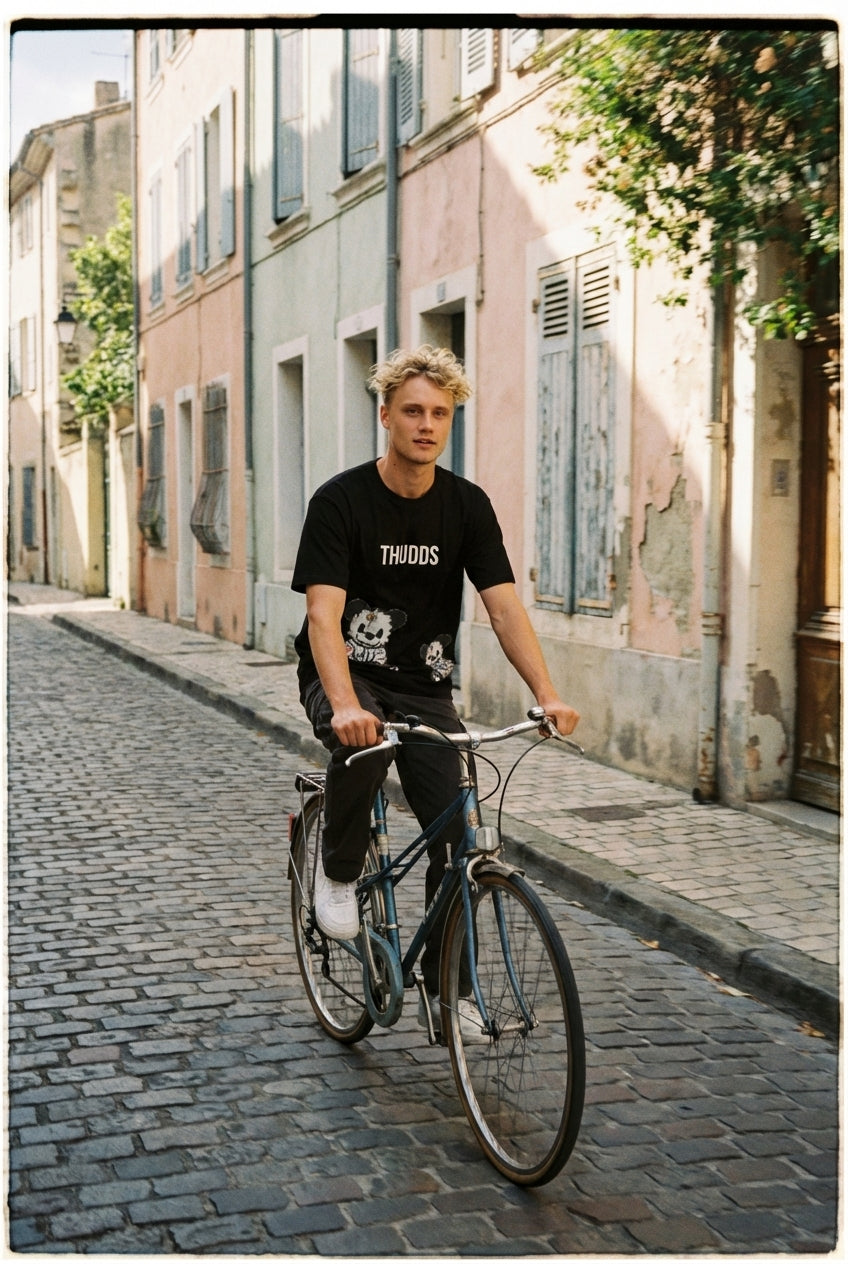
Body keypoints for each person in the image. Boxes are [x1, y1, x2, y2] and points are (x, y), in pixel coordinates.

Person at [291, 345, 579, 1032]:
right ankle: (338, 872)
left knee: (457, 832)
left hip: (424, 682)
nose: (426, 425)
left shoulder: (466, 506)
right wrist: (345, 705)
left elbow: (503, 607)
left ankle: (453, 990)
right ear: (386, 416)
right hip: (348, 673)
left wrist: (547, 691)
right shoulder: (340, 501)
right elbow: (323, 616)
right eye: (413, 411)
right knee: (364, 747)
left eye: (440, 414)